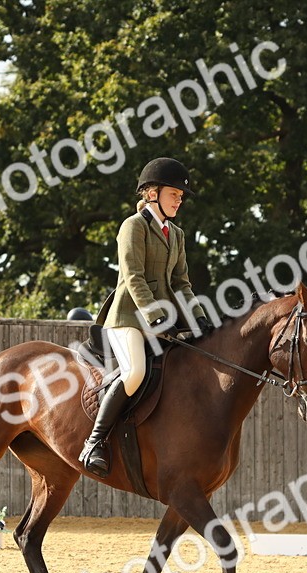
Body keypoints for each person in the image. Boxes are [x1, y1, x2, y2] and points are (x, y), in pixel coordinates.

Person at [78, 157, 214, 477]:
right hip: (128, 317)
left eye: (181, 197)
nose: (179, 201)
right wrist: (154, 317)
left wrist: (199, 318)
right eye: (174, 194)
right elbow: (134, 277)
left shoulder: (176, 234)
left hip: (164, 321)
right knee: (136, 371)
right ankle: (94, 443)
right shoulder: (133, 226)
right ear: (152, 193)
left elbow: (181, 284)